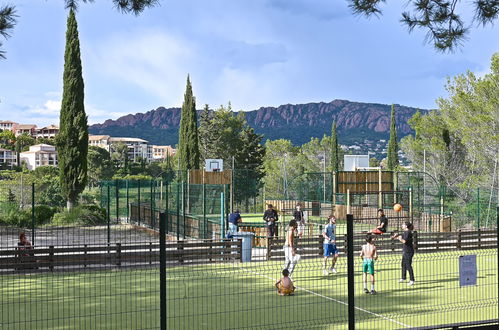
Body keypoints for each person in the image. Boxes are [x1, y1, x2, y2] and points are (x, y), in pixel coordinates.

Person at [391, 221, 415, 286]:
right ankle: (403, 278)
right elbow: (401, 236)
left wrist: (399, 238)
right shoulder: (405, 232)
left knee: (408, 266)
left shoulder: (408, 232)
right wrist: (395, 237)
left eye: (403, 225)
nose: (402, 225)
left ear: (406, 226)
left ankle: (412, 280)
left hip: (409, 252)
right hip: (405, 251)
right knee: (403, 265)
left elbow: (404, 241)